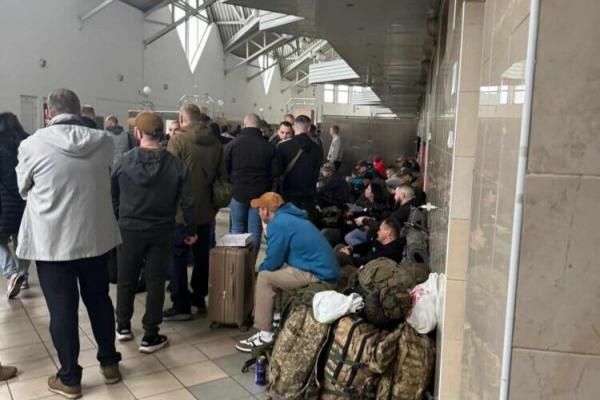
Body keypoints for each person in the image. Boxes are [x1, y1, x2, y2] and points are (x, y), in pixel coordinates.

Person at [16, 89, 122, 398]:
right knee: (100, 301)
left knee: (62, 310)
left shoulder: (31, 145)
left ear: (48, 113)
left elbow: (23, 188)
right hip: (94, 238)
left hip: (52, 243)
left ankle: (70, 378)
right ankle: (110, 364)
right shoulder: (103, 141)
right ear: (78, 111)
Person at [112, 111, 197, 353]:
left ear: (137, 133)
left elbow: (113, 194)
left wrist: (120, 216)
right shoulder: (176, 165)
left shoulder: (123, 161)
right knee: (156, 281)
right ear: (162, 135)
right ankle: (150, 334)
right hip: (161, 229)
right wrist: (191, 229)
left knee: (126, 278)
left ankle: (123, 326)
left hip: (128, 229)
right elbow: (189, 200)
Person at [236, 193, 340, 352]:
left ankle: (265, 334)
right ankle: (276, 316)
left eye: (259, 209)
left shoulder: (278, 224)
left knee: (264, 277)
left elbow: (272, 261)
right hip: (326, 271)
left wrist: (260, 271)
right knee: (278, 271)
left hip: (320, 276)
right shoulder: (291, 217)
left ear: (266, 211)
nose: (258, 212)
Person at [164, 104, 226, 321]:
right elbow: (222, 176)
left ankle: (180, 303)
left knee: (178, 255)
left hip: (181, 210)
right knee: (202, 255)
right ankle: (199, 299)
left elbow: (169, 177)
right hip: (207, 208)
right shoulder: (216, 143)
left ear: (182, 119)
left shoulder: (177, 141)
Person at [225, 114, 276, 256]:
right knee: (254, 230)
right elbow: (276, 171)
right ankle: (250, 264)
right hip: (260, 194)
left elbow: (224, 166)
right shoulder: (268, 146)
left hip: (237, 191)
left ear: (244, 125)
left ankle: (237, 263)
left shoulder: (233, 144)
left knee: (237, 227)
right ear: (259, 127)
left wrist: (231, 180)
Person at [0, 113, 29, 299]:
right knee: (23, 240)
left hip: (4, 202)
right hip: (26, 200)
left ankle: (11, 273)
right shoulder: (28, 144)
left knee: (1, 240)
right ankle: (23, 275)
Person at [275, 115, 322, 221]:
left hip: (288, 194)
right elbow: (317, 173)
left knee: (288, 224)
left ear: (293, 127)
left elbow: (277, 171)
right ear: (309, 129)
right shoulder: (317, 148)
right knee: (306, 225)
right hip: (308, 196)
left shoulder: (282, 146)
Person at [336, 218, 405, 267]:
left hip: (365, 270)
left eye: (380, 230)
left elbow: (368, 263)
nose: (377, 232)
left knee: (341, 256)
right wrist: (353, 248)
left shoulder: (389, 253)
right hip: (363, 261)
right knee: (340, 246)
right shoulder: (380, 241)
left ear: (388, 233)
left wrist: (349, 256)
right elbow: (368, 245)